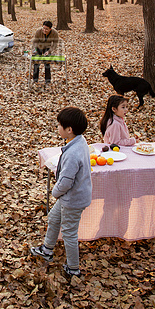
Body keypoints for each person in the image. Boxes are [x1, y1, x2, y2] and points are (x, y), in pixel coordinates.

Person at [30, 107, 92, 278]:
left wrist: (55, 192)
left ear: (69, 130)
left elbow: (66, 181)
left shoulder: (73, 153)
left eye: (59, 125)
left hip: (72, 199)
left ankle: (73, 268)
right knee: (53, 218)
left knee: (69, 233)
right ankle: (47, 249)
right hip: (69, 197)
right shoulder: (79, 141)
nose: (57, 128)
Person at [31, 20, 59, 85]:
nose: (44, 30)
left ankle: (48, 80)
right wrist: (34, 50)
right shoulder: (38, 31)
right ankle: (35, 80)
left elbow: (55, 44)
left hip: (48, 47)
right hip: (39, 46)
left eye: (46, 29)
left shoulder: (55, 33)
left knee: (47, 63)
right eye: (43, 28)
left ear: (50, 29)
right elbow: (35, 42)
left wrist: (49, 51)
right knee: (36, 63)